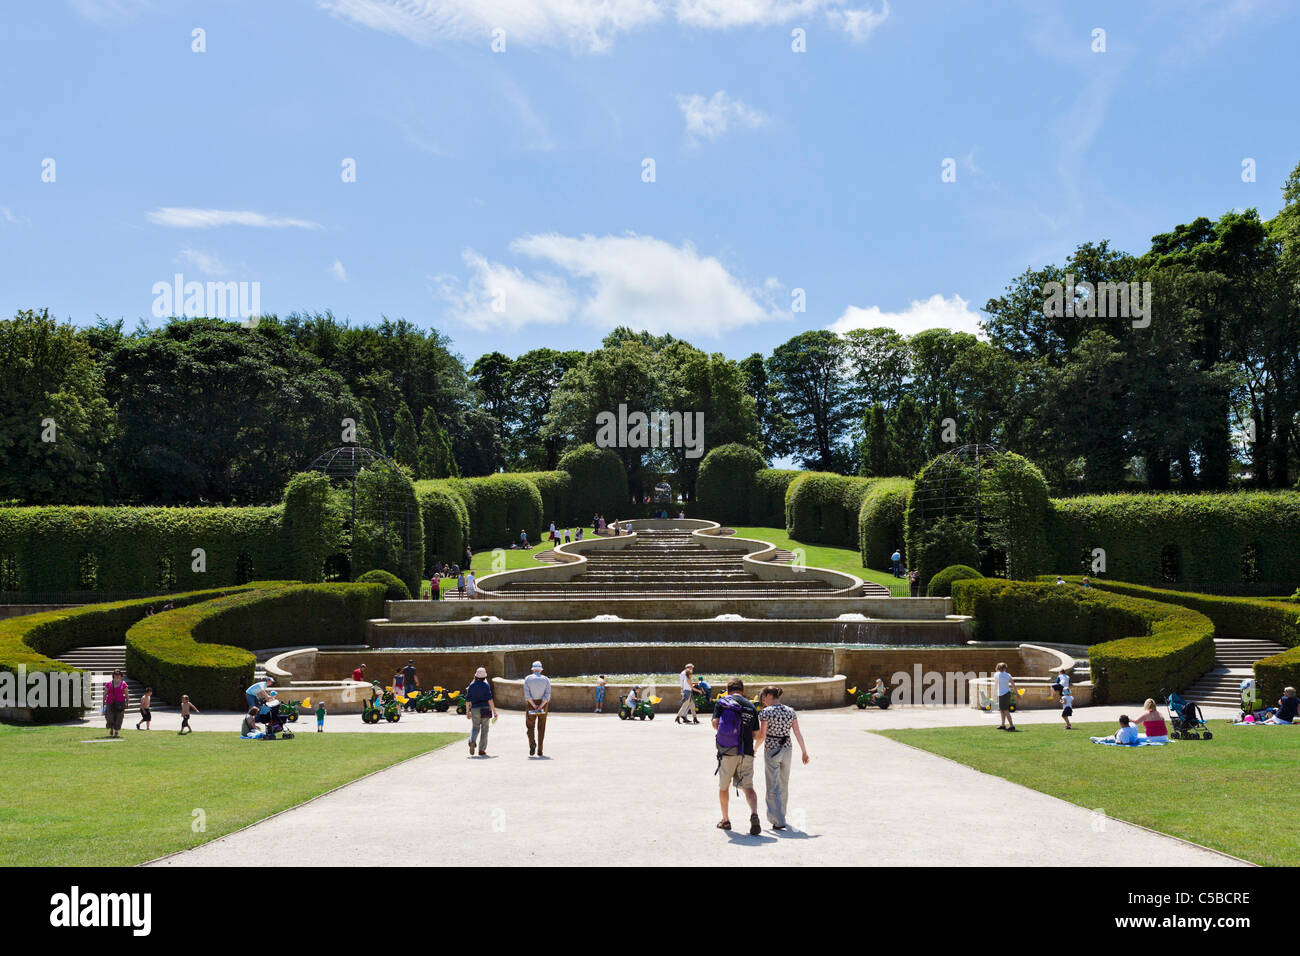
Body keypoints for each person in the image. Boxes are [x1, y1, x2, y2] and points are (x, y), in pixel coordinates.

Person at [755, 686, 809, 830]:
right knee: (784, 784)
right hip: (787, 749)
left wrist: (754, 749)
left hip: (772, 749)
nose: (762, 700)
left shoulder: (766, 712)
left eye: (763, 697)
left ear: (769, 695)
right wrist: (804, 751)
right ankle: (781, 814)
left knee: (772, 785)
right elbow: (797, 732)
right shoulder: (790, 711)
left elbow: (762, 735)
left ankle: (778, 820)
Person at [713, 678, 761, 835]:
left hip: (728, 752)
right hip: (746, 751)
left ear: (728, 690)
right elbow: (756, 734)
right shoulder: (751, 706)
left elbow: (715, 723)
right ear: (742, 690)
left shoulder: (722, 702)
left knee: (724, 787)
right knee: (748, 787)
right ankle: (754, 814)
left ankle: (725, 820)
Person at [465, 666, 497, 756]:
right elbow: (490, 699)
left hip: (475, 708)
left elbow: (467, 700)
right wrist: (494, 711)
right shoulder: (486, 685)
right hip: (485, 708)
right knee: (485, 729)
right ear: (484, 676)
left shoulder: (471, 685)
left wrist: (467, 712)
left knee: (475, 728)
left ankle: (472, 741)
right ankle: (481, 750)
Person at [523, 660, 551, 757]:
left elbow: (527, 695)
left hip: (531, 704)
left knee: (530, 726)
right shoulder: (546, 679)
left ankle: (532, 743)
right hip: (543, 704)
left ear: (533, 670)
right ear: (540, 670)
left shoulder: (527, 679)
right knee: (541, 727)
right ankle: (540, 750)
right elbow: (547, 696)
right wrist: (541, 705)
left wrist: (534, 705)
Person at [103, 669, 129, 738]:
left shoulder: (124, 684)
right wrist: (103, 702)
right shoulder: (108, 684)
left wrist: (127, 702)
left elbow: (126, 694)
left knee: (119, 717)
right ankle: (111, 727)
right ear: (113, 675)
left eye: (119, 674)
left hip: (120, 703)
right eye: (115, 674)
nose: (117, 676)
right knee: (109, 716)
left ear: (121, 676)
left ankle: (116, 731)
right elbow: (105, 693)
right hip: (110, 702)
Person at [994, 662, 1017, 731]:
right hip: (1006, 693)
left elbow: (996, 685)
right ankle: (1003, 725)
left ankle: (1012, 725)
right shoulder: (1008, 675)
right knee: (1002, 710)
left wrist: (994, 694)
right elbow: (1013, 684)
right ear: (1005, 668)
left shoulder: (996, 674)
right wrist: (1017, 693)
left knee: (1005, 710)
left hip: (1002, 694)